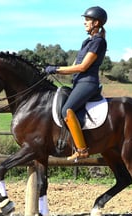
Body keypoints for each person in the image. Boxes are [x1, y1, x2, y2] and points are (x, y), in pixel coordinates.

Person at [45, 6, 108, 161]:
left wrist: (56, 69)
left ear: (96, 22)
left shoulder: (98, 42)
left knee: (67, 110)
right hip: (79, 82)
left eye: (87, 20)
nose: (84, 23)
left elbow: (82, 67)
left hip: (88, 82)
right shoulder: (87, 42)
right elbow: (74, 66)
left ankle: (81, 149)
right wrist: (53, 68)